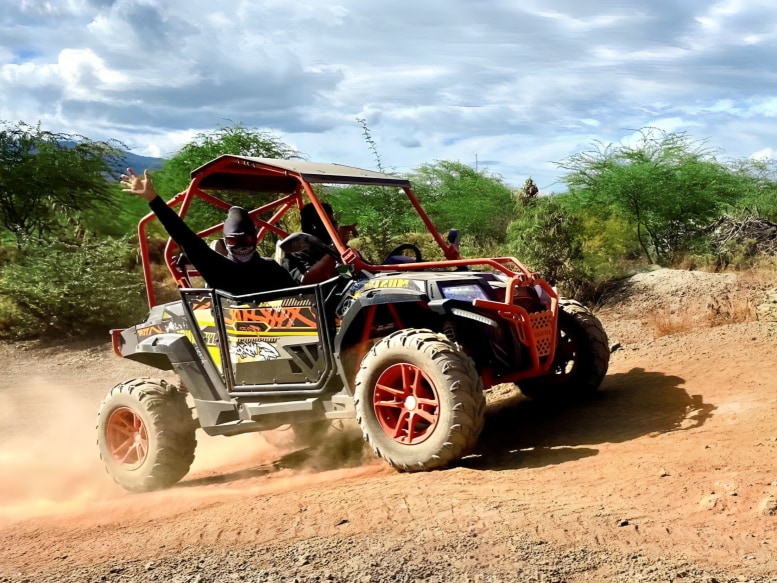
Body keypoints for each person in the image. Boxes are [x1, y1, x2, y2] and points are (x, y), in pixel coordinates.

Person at [120, 168, 297, 295]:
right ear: (226, 242)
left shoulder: (272, 269)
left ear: (255, 239)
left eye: (248, 240)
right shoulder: (218, 269)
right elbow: (185, 237)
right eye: (234, 241)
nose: (242, 246)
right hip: (232, 333)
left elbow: (299, 299)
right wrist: (153, 199)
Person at [283, 202, 357, 285]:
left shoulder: (333, 249)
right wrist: (337, 247)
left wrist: (351, 263)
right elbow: (308, 281)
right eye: (332, 221)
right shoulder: (296, 253)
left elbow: (348, 277)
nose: (337, 224)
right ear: (315, 225)